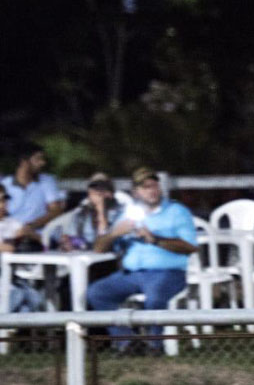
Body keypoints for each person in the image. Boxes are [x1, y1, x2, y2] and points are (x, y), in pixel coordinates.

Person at [87, 167, 198, 352]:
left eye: (154, 185)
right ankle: (127, 342)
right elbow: (99, 249)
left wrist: (155, 239)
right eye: (145, 187)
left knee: (154, 298)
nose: (152, 190)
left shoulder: (177, 211)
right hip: (132, 274)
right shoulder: (128, 214)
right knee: (97, 292)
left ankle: (155, 345)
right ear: (136, 192)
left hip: (168, 273)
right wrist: (115, 233)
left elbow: (190, 247)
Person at [1, 142, 66, 231]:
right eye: (38, 159)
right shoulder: (5, 185)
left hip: (38, 236)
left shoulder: (47, 181)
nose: (42, 163)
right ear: (24, 162)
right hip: (9, 234)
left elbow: (55, 210)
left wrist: (32, 226)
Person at [0, 185, 44, 312]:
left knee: (34, 300)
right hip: (4, 280)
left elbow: (44, 243)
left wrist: (30, 234)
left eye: (3, 200)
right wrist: (14, 241)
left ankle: (6, 330)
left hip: (16, 278)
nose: (2, 205)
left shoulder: (13, 223)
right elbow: (7, 248)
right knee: (19, 295)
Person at [61, 173, 128, 251]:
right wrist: (68, 244)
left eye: (104, 187)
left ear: (111, 192)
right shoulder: (80, 215)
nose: (99, 192)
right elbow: (71, 239)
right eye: (95, 187)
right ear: (89, 193)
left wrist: (101, 208)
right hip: (85, 257)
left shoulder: (121, 213)